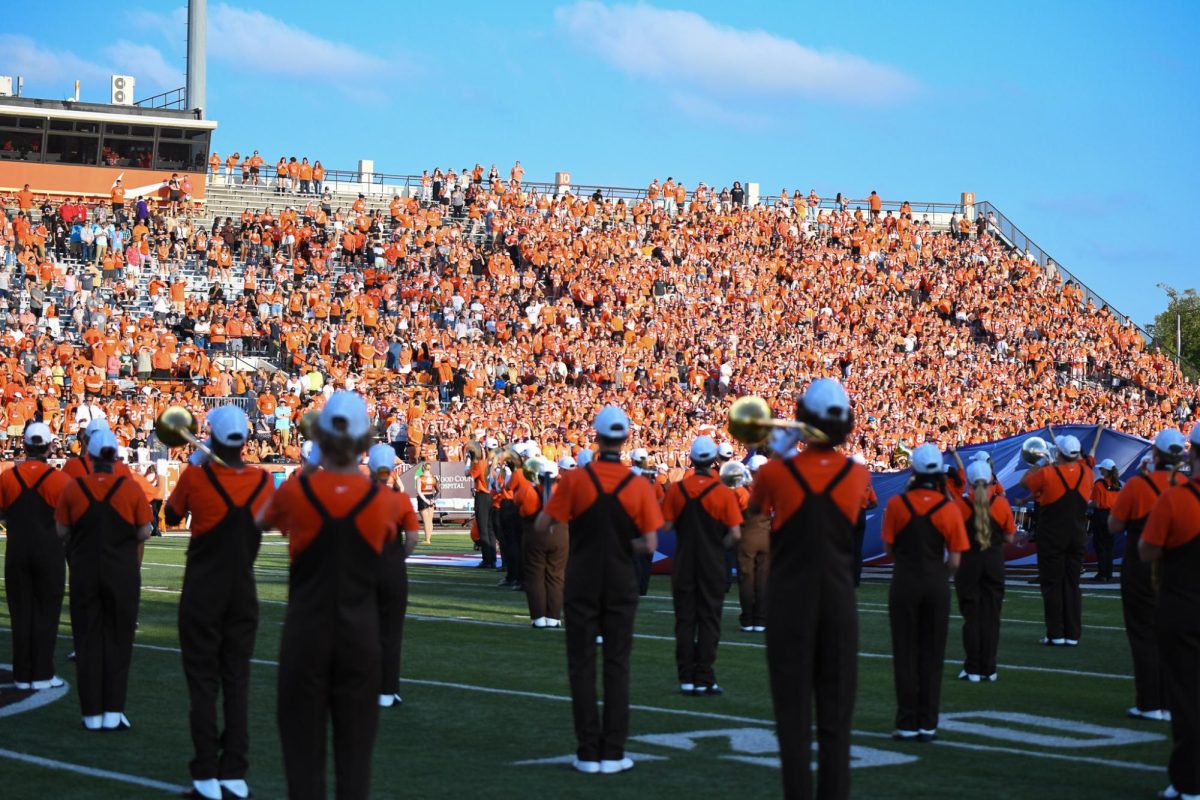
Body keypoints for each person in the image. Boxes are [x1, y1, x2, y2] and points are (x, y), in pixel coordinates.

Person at [257, 391, 399, 800]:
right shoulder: (385, 502)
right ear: (364, 443)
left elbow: (257, 520)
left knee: (302, 757)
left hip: (307, 632)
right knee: (355, 759)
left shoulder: (296, 494)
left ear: (320, 437)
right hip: (360, 634)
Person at [745, 379, 871, 800]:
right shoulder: (857, 474)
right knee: (836, 720)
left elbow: (755, 508)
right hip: (837, 603)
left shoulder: (775, 473)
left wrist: (779, 451)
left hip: (789, 603)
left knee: (792, 717)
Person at [535, 405, 663, 775]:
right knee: (618, 665)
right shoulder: (638, 484)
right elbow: (651, 543)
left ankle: (587, 751)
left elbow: (545, 522)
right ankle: (613, 751)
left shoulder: (576, 480)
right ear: (625, 440)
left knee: (581, 664)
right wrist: (623, 544)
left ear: (596, 436)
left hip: (583, 578)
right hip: (621, 580)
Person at [164, 405, 273, 800]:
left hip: (202, 593)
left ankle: (206, 774)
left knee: (203, 684)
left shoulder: (195, 476)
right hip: (243, 592)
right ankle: (235, 773)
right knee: (237, 680)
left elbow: (171, 515)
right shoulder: (263, 482)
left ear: (210, 437)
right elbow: (268, 522)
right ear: (244, 439)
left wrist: (196, 465)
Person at [55, 428, 152, 731]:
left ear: (91, 455)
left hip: (84, 571)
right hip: (121, 573)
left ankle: (91, 714)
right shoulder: (130, 489)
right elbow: (144, 531)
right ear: (116, 456)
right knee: (119, 641)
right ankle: (113, 713)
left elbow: (60, 532)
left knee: (87, 641)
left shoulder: (74, 488)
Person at [883, 444, 969, 741]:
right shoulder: (949, 508)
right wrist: (938, 574)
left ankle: (906, 721)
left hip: (905, 581)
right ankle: (927, 721)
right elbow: (956, 560)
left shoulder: (897, 504)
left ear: (914, 470)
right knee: (932, 654)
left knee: (904, 652)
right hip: (935, 584)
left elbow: (889, 549)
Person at [1138, 424, 1200, 800]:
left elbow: (1147, 550)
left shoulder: (1176, 499)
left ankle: (1189, 780)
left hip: (1183, 605)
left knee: (1186, 694)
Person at [1110, 430, 1187, 721]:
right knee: (1172, 635)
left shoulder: (1137, 486)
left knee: (1142, 634)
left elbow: (1114, 526)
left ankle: (1149, 702)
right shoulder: (1187, 485)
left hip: (1141, 563)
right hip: (1177, 567)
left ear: (1156, 454)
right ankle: (1169, 702)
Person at [661, 437, 742, 695]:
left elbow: (666, 526)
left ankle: (685, 676)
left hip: (685, 561)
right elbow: (736, 535)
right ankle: (705, 676)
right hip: (712, 563)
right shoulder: (723, 492)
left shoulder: (676, 489)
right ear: (713, 460)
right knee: (709, 620)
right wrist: (718, 546)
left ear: (692, 459)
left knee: (685, 620)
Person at [0, 423, 70, 690]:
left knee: (20, 613)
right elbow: (69, 520)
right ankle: (42, 674)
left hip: (17, 552)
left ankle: (21, 674)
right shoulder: (60, 480)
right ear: (50, 446)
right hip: (50, 553)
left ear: (25, 446)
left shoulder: (7, 477)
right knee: (47, 613)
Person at [1020, 429, 1101, 646]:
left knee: (1052, 583)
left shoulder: (1048, 473)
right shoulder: (1088, 473)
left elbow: (1024, 482)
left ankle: (1055, 633)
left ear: (1061, 454)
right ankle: (1072, 634)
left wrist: (1044, 462)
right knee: (1072, 584)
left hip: (1052, 535)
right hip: (1077, 535)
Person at [951, 460, 1015, 682]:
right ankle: (989, 668)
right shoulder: (1001, 504)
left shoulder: (959, 505)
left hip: (968, 565)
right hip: (993, 563)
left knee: (972, 617)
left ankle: (972, 667)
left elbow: (952, 538)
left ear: (968, 481)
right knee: (991, 616)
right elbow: (1009, 536)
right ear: (991, 481)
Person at [366, 444, 420, 710]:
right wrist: (398, 558)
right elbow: (412, 539)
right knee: (390, 632)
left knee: (360, 630)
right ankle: (387, 691)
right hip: (391, 568)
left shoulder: (356, 497)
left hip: (361, 568)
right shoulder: (400, 500)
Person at [520, 458, 566, 628]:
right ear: (557, 476)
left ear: (538, 476)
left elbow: (522, 509)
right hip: (560, 536)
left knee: (535, 576)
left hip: (535, 535)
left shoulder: (529, 491)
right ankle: (554, 617)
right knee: (556, 576)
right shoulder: (564, 492)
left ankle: (538, 618)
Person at [737, 454, 770, 633]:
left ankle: (747, 619)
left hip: (746, 537)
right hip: (766, 537)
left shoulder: (741, 490)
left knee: (746, 579)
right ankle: (761, 620)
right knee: (763, 579)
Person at [1089, 459, 1122, 582]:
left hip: (1101, 516)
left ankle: (1102, 573)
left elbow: (1096, 504)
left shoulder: (1099, 484)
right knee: (1109, 545)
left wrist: (1086, 504)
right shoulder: (1118, 484)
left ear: (1105, 470)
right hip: (1113, 516)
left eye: (1101, 468)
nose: (1099, 470)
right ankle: (1108, 572)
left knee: (1100, 545)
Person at [851, 453, 878, 587]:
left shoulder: (846, 479)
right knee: (857, 549)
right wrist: (863, 508)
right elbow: (874, 503)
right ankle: (856, 580)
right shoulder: (866, 481)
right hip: (861, 514)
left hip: (849, 514)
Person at [468, 443, 496, 568]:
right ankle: (493, 559)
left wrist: (469, 460)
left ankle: (487, 560)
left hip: (483, 496)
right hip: (494, 496)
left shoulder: (482, 463)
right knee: (491, 529)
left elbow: (469, 475)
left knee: (483, 529)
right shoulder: (500, 464)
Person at [416, 462, 439, 545]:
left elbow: (419, 491)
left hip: (423, 498)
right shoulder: (434, 478)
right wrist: (433, 499)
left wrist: (425, 500)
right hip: (431, 497)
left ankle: (427, 539)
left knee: (426, 521)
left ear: (423, 468)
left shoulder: (420, 478)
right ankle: (428, 538)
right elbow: (437, 491)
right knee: (430, 520)